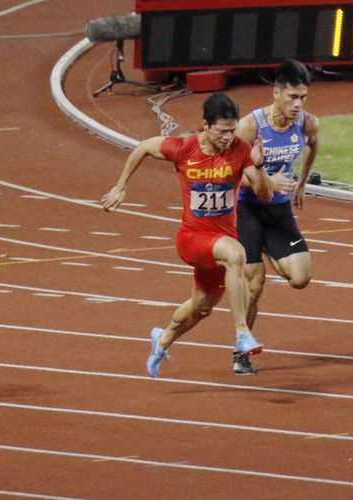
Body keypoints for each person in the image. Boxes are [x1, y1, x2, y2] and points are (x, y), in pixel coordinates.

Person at [101, 93, 273, 378]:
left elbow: (265, 195)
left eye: (232, 131)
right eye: (222, 131)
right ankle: (242, 334)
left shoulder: (242, 150)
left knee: (201, 307)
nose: (228, 137)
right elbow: (143, 147)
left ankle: (163, 338)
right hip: (193, 238)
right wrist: (121, 186)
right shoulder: (184, 148)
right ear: (206, 125)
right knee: (237, 255)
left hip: (220, 240)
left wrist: (259, 166)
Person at [233, 59, 319, 375]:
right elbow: (229, 174)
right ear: (276, 92)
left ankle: (271, 249)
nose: (298, 104)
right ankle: (241, 352)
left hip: (279, 209)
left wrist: (302, 183)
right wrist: (267, 182)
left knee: (300, 278)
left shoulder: (307, 123)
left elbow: (313, 144)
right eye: (292, 97)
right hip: (248, 209)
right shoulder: (250, 127)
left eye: (303, 97)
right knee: (254, 285)